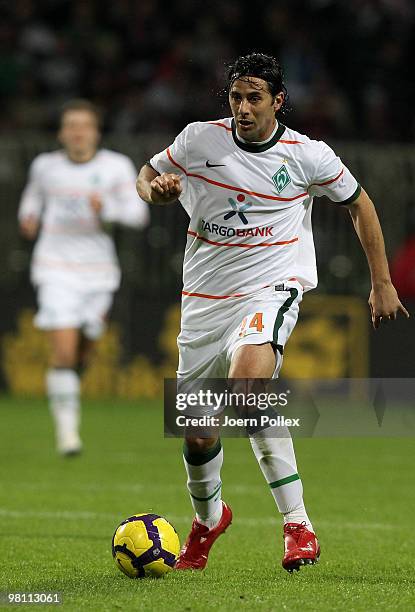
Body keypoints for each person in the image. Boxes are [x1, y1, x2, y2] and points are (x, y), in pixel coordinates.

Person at [136, 53, 409, 573]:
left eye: (254, 97)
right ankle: (208, 518)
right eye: (237, 97)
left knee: (249, 389)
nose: (243, 107)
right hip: (203, 302)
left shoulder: (307, 155)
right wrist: (157, 192)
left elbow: (360, 203)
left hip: (270, 287)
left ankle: (297, 525)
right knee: (196, 431)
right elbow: (148, 174)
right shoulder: (199, 139)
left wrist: (382, 282)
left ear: (277, 101)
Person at [19, 99, 149, 456]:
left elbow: (138, 215)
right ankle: (68, 435)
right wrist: (28, 216)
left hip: (98, 273)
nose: (77, 132)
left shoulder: (115, 167)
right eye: (71, 125)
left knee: (82, 351)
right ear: (62, 132)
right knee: (62, 351)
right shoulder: (45, 167)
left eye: (84, 125)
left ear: (95, 131)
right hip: (54, 267)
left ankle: (67, 390)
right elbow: (31, 199)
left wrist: (104, 208)